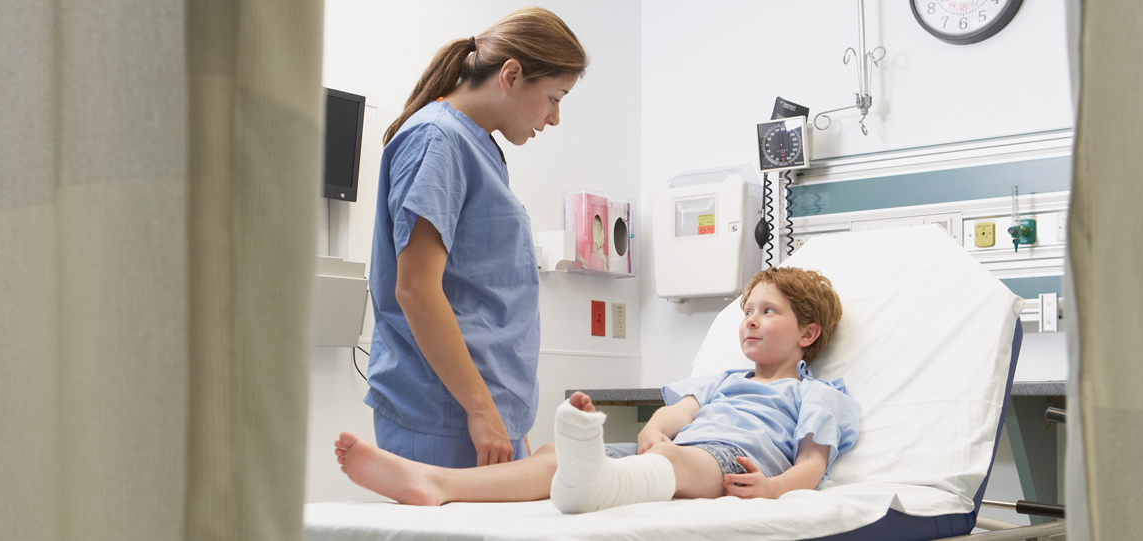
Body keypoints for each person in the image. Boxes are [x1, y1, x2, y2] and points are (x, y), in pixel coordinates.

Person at [335, 267, 859, 513]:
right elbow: (670, 418)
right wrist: (654, 433)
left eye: (768, 312)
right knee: (553, 451)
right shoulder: (721, 381)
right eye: (747, 311)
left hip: (735, 462)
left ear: (807, 334)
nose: (749, 322)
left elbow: (813, 466)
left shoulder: (816, 395)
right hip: (672, 454)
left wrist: (774, 488)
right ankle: (439, 483)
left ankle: (596, 482)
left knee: (675, 463)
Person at [365, 8, 589, 469]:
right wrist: (481, 409)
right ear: (511, 74)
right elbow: (415, 288)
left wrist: (501, 411)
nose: (555, 118)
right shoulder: (437, 140)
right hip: (446, 414)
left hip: (483, 413)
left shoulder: (478, 146)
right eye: (553, 97)